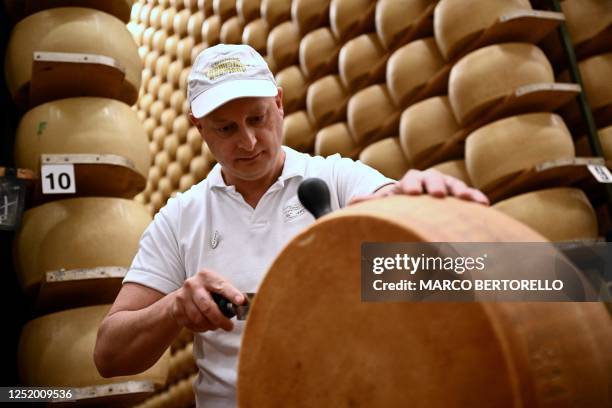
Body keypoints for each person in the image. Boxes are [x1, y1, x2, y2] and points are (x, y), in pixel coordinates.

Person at [94, 44, 489, 407]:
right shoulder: (179, 219)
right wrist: (174, 309)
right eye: (226, 128)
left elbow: (394, 207)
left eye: (257, 118)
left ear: (279, 103)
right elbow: (109, 354)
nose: (248, 142)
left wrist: (418, 204)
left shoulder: (336, 178)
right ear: (198, 127)